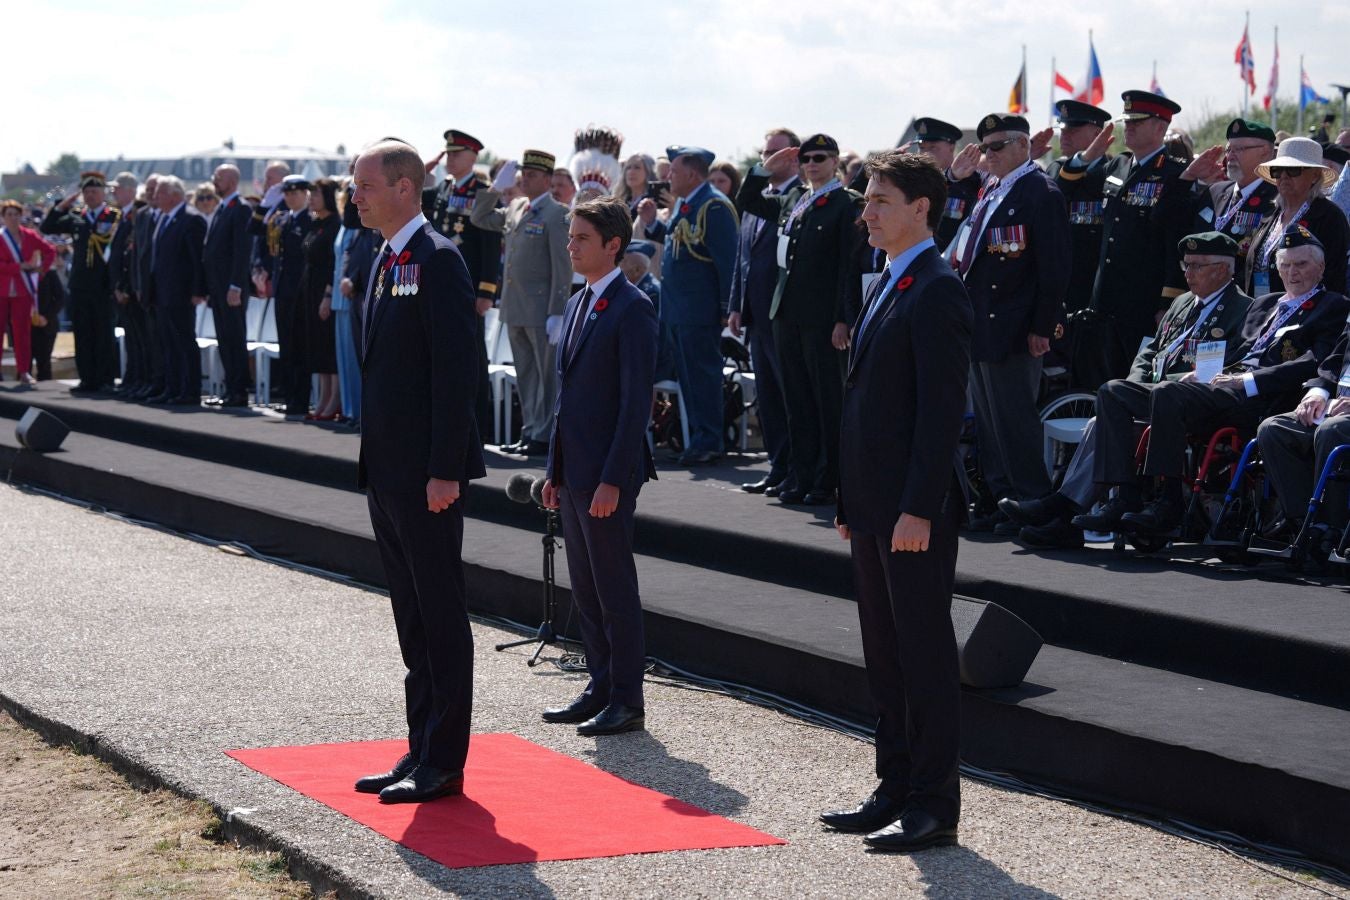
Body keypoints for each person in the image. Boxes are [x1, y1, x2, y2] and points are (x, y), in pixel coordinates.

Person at [822, 149, 971, 853]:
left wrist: (919, 505)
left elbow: (940, 413)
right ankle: (894, 784)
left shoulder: (937, 286)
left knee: (923, 655)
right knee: (883, 653)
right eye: (867, 200)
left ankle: (935, 802)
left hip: (913, 511)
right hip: (876, 503)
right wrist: (850, 497)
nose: (868, 212)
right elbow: (865, 404)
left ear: (922, 208)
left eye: (881, 200)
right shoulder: (887, 280)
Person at [350, 138, 484, 804]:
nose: (357, 196)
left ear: (405, 187)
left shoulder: (438, 260)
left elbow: (456, 376)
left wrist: (445, 469)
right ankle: (420, 747)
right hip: (388, 470)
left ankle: (445, 759)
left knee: (439, 612)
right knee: (410, 617)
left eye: (367, 185)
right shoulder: (385, 258)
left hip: (426, 476)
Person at [1081, 228, 1347, 536]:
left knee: (1168, 392)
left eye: (1301, 265)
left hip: (1259, 398)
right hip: (1219, 388)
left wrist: (1244, 381)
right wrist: (1204, 373)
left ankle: (1167, 501)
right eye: (1285, 265)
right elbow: (1234, 351)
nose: (1292, 272)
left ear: (1321, 268)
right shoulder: (1265, 304)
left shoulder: (1333, 306)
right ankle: (1125, 496)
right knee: (1113, 391)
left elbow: (1311, 363)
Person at [1005, 233, 1256, 549]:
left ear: (1223, 270)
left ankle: (1071, 509)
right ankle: (1075, 510)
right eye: (1186, 265)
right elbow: (1149, 352)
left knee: (1116, 408)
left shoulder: (1243, 309)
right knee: (1109, 403)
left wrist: (1163, 385)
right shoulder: (1180, 304)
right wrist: (1139, 382)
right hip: (1155, 393)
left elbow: (1225, 366)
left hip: (1194, 401)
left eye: (1197, 266)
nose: (1188, 273)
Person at [540, 196, 658, 736]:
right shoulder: (580, 300)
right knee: (585, 586)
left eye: (582, 238)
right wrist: (554, 470)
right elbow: (566, 398)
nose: (572, 246)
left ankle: (627, 698)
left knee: (614, 586)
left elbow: (635, 405)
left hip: (607, 473)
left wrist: (612, 478)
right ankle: (600, 682)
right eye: (570, 237)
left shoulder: (632, 307)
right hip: (576, 470)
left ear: (614, 245)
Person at [951, 114, 1069, 533]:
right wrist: (961, 180)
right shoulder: (991, 189)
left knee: (1015, 418)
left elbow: (1054, 269)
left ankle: (1032, 500)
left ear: (1024, 145)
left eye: (997, 146)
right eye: (985, 147)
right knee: (989, 419)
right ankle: (1002, 500)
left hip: (1016, 325)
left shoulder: (1040, 192)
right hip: (982, 321)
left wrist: (1044, 326)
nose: (989, 154)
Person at [739, 133, 863, 503]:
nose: (812, 164)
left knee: (826, 401)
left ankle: (828, 480)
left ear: (836, 161)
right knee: (796, 401)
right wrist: (765, 168)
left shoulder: (845, 204)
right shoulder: (796, 199)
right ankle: (801, 475)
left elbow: (848, 266)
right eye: (806, 158)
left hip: (822, 319)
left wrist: (844, 317)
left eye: (820, 157)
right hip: (785, 313)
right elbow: (746, 201)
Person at [1060, 90, 1190, 390]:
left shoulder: (1175, 175)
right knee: (1097, 382)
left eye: (1137, 122)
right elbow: (1062, 190)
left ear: (1160, 127)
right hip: (1103, 299)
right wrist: (1086, 157)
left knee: (1132, 385)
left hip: (1142, 302)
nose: (1127, 127)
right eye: (1127, 121)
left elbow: (1175, 245)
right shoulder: (1116, 166)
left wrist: (1167, 303)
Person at [470, 150, 573, 456]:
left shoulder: (558, 214)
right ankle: (530, 431)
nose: (524, 179)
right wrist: (493, 190)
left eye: (531, 175)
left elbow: (562, 267)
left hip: (541, 310)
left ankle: (545, 435)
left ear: (546, 179)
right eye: (523, 174)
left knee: (545, 377)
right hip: (515, 308)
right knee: (526, 374)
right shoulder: (516, 206)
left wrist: (558, 311)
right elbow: (480, 218)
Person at [656, 145, 739, 466]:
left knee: (702, 376)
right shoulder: (687, 204)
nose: (668, 177)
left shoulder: (714, 206)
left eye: (674, 171)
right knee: (688, 378)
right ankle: (696, 437)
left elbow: (726, 261)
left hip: (700, 309)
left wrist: (724, 306)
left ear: (692, 174)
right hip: (679, 308)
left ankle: (709, 439)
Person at [728, 127, 800, 495]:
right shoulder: (760, 199)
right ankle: (777, 465)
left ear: (792, 155)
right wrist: (736, 306)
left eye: (774, 152)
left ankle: (796, 470)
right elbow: (744, 259)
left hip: (784, 315)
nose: (766, 159)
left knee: (790, 397)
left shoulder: (798, 199)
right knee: (769, 398)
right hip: (756, 315)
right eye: (763, 152)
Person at [422, 129, 501, 440]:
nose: (450, 158)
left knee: (472, 358)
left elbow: (490, 244)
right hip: (441, 286)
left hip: (468, 287)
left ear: (472, 157)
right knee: (441, 355)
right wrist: (422, 170)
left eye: (456, 153)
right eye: (448, 153)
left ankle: (479, 427)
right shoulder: (442, 187)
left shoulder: (483, 191)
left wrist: (486, 292)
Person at [40, 171, 122, 392]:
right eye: (86, 192)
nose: (90, 196)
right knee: (83, 332)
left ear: (103, 193)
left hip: (103, 284)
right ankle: (87, 377)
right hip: (80, 284)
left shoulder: (112, 216)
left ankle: (105, 378)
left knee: (103, 332)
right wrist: (63, 204)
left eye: (94, 191)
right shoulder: (77, 216)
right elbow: (48, 226)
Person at [1242, 137, 1348, 298]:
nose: (1283, 176)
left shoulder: (1329, 217)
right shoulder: (1272, 213)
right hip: (1262, 310)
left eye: (1293, 169)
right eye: (1277, 170)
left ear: (1314, 176)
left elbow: (1334, 277)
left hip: (1305, 315)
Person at [1175, 119, 1279, 271]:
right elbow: (1169, 220)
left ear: (1264, 152)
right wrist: (1188, 176)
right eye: (1229, 149)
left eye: (1239, 149)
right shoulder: (1215, 191)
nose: (1230, 156)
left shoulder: (1277, 198)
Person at [1044, 100, 1113, 317]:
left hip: (1096, 284)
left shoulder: (1114, 170)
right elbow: (1055, 198)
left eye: (1073, 129)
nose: (1064, 135)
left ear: (1096, 134)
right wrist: (1080, 162)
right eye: (1063, 129)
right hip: (1060, 285)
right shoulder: (1056, 169)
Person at [146, 176, 207, 405]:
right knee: (168, 342)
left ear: (174, 195)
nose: (155, 197)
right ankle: (172, 388)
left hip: (181, 293)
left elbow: (196, 260)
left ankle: (190, 390)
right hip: (163, 292)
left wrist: (197, 290)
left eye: (160, 193)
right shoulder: (165, 218)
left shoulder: (191, 219)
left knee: (184, 342)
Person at [203, 164, 255, 407]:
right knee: (225, 338)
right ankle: (230, 388)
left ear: (232, 182)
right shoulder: (223, 208)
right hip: (218, 287)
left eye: (219, 178)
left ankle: (239, 391)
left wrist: (236, 285)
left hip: (231, 288)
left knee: (235, 338)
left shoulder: (240, 208)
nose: (214, 181)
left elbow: (241, 250)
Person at [270, 175, 314, 416]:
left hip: (299, 293)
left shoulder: (310, 220)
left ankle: (300, 399)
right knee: (285, 347)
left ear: (305, 193)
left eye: (295, 193)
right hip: (282, 291)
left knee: (299, 348)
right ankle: (289, 397)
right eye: (286, 193)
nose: (289, 197)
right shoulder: (283, 219)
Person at [0, 200, 55, 384]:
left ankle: (24, 371)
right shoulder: (1, 238)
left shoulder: (29, 236)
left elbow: (50, 251)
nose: (13, 218)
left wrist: (41, 270)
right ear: (3, 217)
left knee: (22, 332)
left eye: (16, 214)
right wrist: (19, 266)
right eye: (9, 215)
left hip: (23, 290)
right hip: (2, 289)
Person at [107, 172, 152, 398]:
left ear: (131, 190)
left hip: (131, 289)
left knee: (141, 339)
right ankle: (134, 377)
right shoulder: (122, 217)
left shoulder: (137, 214)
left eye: (118, 187)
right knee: (132, 339)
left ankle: (142, 378)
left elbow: (132, 256)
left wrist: (124, 286)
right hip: (122, 287)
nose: (114, 192)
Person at [302, 178, 342, 421]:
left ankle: (333, 400)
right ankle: (323, 398)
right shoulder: (316, 224)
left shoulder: (334, 225)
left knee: (328, 347)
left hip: (324, 291)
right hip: (309, 289)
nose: (311, 199)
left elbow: (332, 264)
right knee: (316, 346)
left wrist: (327, 295)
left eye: (315, 194)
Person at [909, 117, 981, 250]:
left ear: (951, 146)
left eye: (933, 147)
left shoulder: (971, 181)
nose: (925, 153)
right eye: (921, 147)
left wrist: (952, 177)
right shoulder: (913, 182)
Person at [333, 178, 368, 426]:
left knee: (366, 360)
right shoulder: (358, 225)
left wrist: (354, 280)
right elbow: (349, 220)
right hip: (351, 294)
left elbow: (371, 254)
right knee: (354, 358)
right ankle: (354, 411)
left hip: (364, 292)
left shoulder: (375, 226)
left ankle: (364, 414)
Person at [31, 258, 67, 381]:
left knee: (44, 364)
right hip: (25, 324)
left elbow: (60, 298)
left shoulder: (49, 273)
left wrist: (46, 316)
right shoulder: (23, 273)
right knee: (24, 364)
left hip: (46, 325)